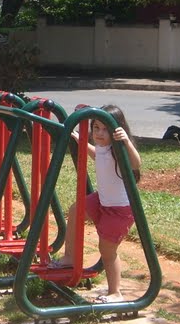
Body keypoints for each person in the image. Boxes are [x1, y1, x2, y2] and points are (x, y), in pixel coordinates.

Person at [50, 104, 142, 304]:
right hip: (102, 200)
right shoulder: (102, 148)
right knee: (76, 210)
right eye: (96, 128)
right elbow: (95, 155)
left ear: (117, 129)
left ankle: (115, 292)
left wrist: (126, 142)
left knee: (107, 251)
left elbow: (136, 164)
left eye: (105, 129)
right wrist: (78, 138)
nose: (99, 133)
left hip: (119, 210)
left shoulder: (119, 151)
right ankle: (69, 258)